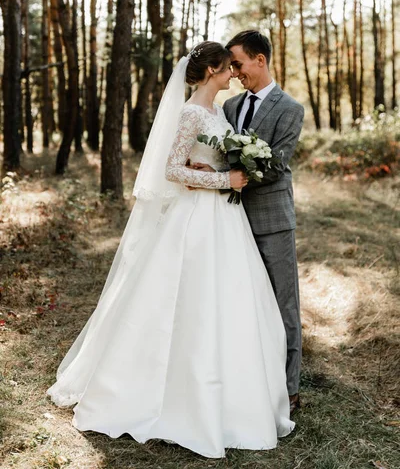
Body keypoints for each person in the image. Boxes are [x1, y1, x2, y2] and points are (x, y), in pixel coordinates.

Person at [47, 41, 294, 459]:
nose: (234, 72)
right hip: (195, 217)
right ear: (213, 69)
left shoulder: (219, 111)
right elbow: (171, 169)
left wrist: (223, 172)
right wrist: (221, 181)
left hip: (224, 219)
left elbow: (208, 161)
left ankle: (240, 391)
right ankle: (164, 393)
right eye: (228, 67)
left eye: (237, 66)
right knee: (185, 300)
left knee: (231, 300)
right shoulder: (192, 112)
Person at [224, 30, 304, 414]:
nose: (235, 72)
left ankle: (288, 388)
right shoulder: (230, 106)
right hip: (230, 220)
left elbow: (277, 163)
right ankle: (249, 380)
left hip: (272, 219)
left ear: (260, 59)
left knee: (283, 303)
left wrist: (234, 169)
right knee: (242, 302)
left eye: (238, 63)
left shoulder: (290, 108)